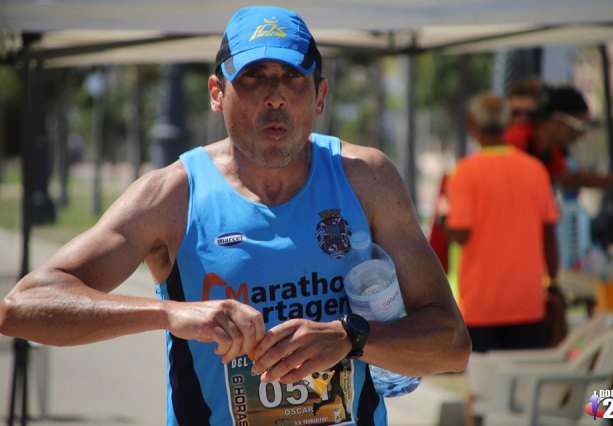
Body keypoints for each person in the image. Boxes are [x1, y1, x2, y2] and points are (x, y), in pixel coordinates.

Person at [0, 6, 470, 425]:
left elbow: (451, 345)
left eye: (293, 77)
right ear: (216, 92)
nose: (275, 97)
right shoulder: (173, 196)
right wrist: (170, 313)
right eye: (253, 77)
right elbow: (23, 308)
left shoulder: (367, 179)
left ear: (320, 95)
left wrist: (350, 338)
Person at [444, 91, 559, 426]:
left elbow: (461, 233)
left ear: (472, 125)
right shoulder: (535, 169)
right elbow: (549, 234)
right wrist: (553, 284)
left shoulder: (465, 172)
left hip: (481, 305)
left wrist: (443, 222)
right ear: (508, 124)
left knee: (482, 397)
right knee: (526, 396)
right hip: (528, 302)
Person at [505, 84, 613, 189]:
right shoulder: (515, 140)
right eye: (579, 127)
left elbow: (570, 179)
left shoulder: (550, 150)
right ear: (558, 120)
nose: (581, 135)